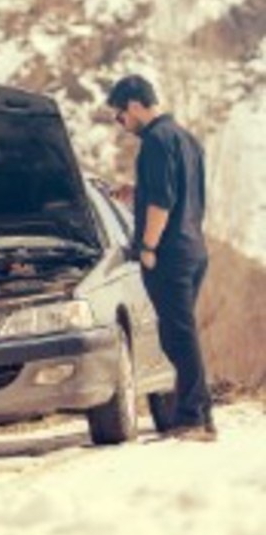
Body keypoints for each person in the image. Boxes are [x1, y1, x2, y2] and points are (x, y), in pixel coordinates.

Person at [106, 74, 215, 442]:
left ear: (134, 106)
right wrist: (134, 194)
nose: (121, 124)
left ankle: (195, 419)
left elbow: (162, 203)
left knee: (178, 337)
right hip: (194, 248)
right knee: (178, 335)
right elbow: (180, 193)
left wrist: (148, 247)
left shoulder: (154, 142)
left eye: (120, 116)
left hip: (168, 254)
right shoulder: (186, 138)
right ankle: (202, 417)